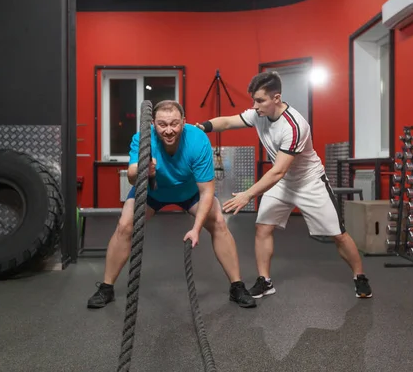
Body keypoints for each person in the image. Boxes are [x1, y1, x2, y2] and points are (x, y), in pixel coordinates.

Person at [194, 71, 373, 299]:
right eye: (254, 100)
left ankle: (360, 276)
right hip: (281, 183)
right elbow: (228, 121)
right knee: (263, 227)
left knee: (338, 234)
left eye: (260, 100)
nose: (255, 106)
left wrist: (247, 195)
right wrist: (203, 127)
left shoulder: (294, 126)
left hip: (309, 182)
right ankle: (264, 281)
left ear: (276, 98)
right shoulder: (258, 114)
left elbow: (278, 170)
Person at [87, 100, 256, 309]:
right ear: (153, 124)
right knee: (124, 226)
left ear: (184, 122)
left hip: (189, 192)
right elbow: (131, 177)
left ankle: (237, 286)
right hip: (152, 191)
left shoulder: (197, 140)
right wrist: (142, 170)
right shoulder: (142, 138)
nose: (168, 130)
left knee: (219, 223)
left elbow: (207, 192)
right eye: (162, 125)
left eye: (174, 124)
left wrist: (195, 230)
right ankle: (106, 288)